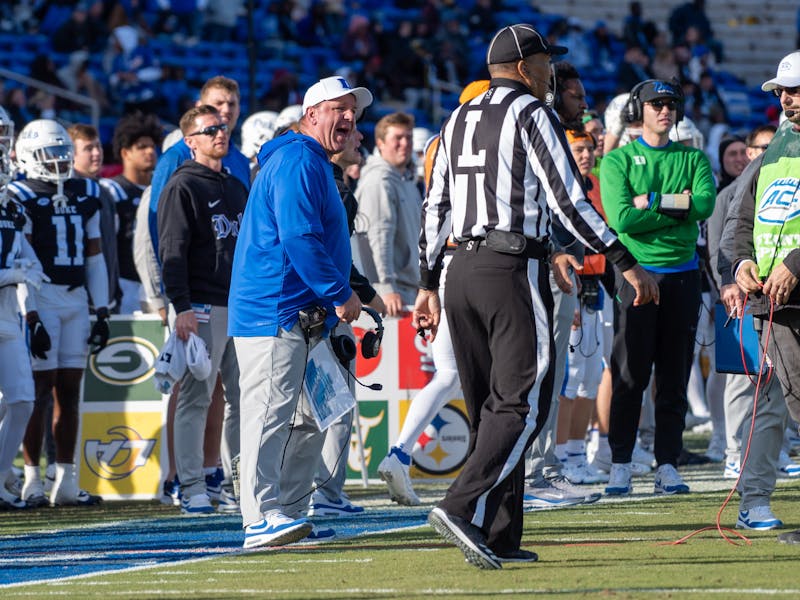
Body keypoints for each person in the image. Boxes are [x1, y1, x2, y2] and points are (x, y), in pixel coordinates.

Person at [415, 24, 658, 569]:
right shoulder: (531, 113)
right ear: (526, 67)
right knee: (524, 403)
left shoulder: (456, 118)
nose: (552, 73)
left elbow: (435, 206)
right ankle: (459, 505)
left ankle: (499, 532)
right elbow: (569, 199)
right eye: (548, 63)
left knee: (490, 406)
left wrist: (428, 282)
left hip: (459, 270)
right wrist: (624, 261)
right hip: (510, 267)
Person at [228, 76, 372, 549]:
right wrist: (340, 292)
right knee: (268, 413)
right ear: (312, 114)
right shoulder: (296, 161)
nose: (349, 119)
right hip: (276, 310)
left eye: (353, 112)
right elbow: (298, 237)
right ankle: (258, 517)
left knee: (314, 414)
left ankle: (288, 513)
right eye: (339, 109)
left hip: (303, 312)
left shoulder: (308, 160)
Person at [599, 79, 716, 497]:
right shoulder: (617, 162)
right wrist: (675, 206)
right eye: (655, 104)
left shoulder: (694, 157)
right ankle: (620, 463)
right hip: (635, 275)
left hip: (683, 274)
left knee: (675, 374)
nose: (664, 110)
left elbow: (704, 205)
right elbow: (622, 219)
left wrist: (652, 201)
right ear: (639, 109)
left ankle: (668, 462)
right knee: (630, 373)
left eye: (670, 104)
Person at [377, 80, 490, 508]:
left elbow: (432, 216)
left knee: (449, 374)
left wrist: (429, 281)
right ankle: (491, 472)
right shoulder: (483, 143)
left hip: (445, 266)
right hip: (479, 262)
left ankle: (401, 453)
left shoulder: (441, 145)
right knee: (500, 373)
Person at [147, 75, 249, 502]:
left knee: (243, 401)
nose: (220, 133)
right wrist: (181, 306)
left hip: (239, 305)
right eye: (210, 130)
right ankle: (189, 487)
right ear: (191, 140)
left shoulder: (235, 184)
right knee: (195, 397)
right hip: (202, 305)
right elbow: (172, 250)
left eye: (222, 128)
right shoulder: (181, 185)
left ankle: (241, 484)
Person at [10, 119, 110, 507]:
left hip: (75, 298)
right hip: (41, 295)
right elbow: (23, 258)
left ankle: (66, 479)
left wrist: (100, 309)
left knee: (70, 390)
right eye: (49, 155)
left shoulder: (86, 189)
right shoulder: (20, 193)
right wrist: (31, 316)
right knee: (38, 391)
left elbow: (95, 254)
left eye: (62, 153)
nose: (57, 162)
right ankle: (32, 479)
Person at [724, 51, 800, 542]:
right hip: (775, 306)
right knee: (781, 406)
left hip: (791, 291)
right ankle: (753, 501)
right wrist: (740, 264)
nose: (787, 100)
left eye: (795, 91)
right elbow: (739, 218)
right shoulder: (776, 147)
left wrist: (796, 263)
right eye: (782, 92)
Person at [309, 125, 386, 518]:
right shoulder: (336, 191)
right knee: (335, 404)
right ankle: (324, 492)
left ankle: (317, 491)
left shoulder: (331, 186)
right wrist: (367, 295)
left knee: (315, 407)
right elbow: (333, 257)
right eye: (351, 134)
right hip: (326, 310)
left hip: (314, 307)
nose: (359, 140)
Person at [0, 144, 48, 509]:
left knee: (22, 401)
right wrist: (15, 273)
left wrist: (31, 311)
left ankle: (1, 477)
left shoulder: (14, 209)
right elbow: (18, 269)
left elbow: (28, 263)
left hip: (7, 317)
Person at [354, 112, 421, 317]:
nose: (405, 144)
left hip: (408, 290)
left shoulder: (407, 181)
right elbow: (378, 237)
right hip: (391, 296)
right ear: (380, 143)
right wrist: (385, 287)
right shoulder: (379, 181)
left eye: (409, 137)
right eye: (397, 138)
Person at [99, 113, 162, 314]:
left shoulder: (162, 190)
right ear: (125, 153)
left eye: (152, 146)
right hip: (125, 283)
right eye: (142, 147)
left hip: (157, 283)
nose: (150, 151)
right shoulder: (112, 191)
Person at [67, 124, 119, 312]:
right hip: (81, 300)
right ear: (71, 153)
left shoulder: (105, 190)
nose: (96, 153)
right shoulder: (68, 193)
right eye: (88, 148)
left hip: (109, 297)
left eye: (98, 146)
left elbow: (111, 245)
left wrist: (115, 289)